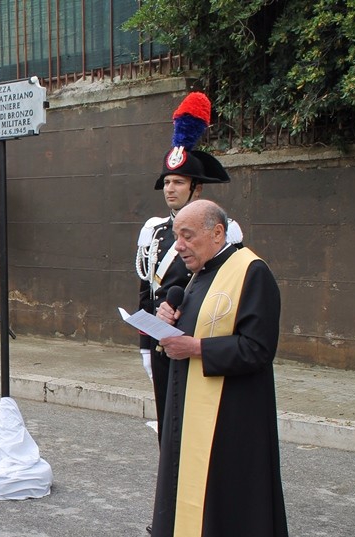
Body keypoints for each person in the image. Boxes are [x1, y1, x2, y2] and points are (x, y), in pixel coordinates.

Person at [145, 199, 292, 537]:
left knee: (221, 498)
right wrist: (169, 319)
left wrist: (194, 346)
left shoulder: (251, 272)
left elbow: (258, 349)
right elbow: (195, 330)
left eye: (187, 236)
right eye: (176, 237)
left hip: (232, 415)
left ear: (217, 233)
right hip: (191, 406)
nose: (180, 246)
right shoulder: (197, 276)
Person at [136, 92, 243, 443]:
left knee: (196, 426)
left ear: (196, 189)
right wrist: (144, 343)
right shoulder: (152, 230)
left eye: (178, 182)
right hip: (160, 336)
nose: (170, 188)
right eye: (167, 182)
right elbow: (147, 290)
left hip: (195, 336)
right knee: (167, 424)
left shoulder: (222, 231)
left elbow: (227, 286)